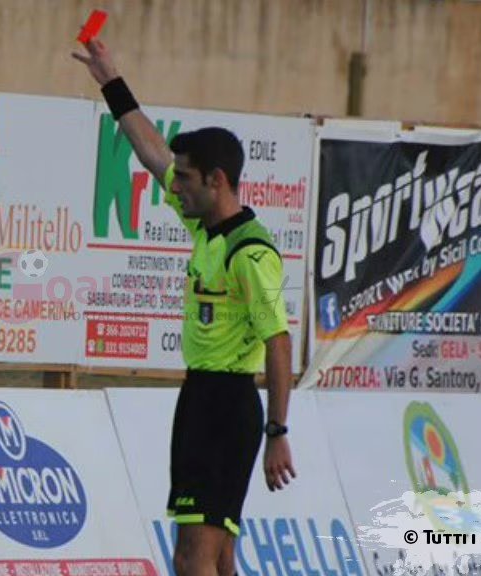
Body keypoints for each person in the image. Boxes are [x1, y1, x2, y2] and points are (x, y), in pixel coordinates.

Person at [74, 39, 297, 576]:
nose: (172, 185)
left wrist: (277, 432)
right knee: (218, 557)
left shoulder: (249, 253)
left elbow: (279, 342)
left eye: (184, 178)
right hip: (202, 397)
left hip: (226, 405)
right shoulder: (206, 228)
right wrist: (111, 83)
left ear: (217, 181)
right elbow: (153, 152)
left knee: (191, 557)